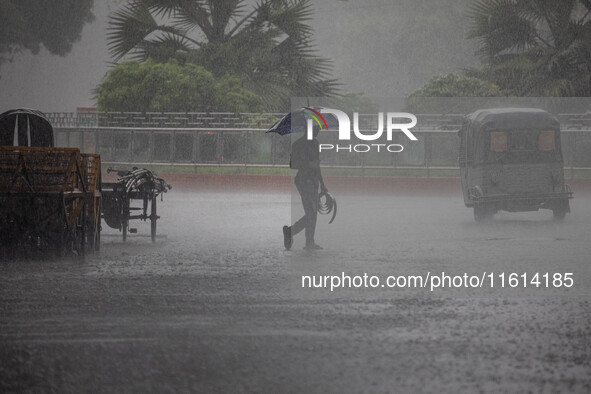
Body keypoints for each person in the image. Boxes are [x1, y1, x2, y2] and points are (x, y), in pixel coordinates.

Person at [283, 123, 327, 250]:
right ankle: (296, 235)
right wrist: (307, 164)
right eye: (315, 128)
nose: (318, 131)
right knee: (312, 211)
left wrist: (322, 184)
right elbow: (293, 164)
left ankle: (308, 240)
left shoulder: (315, 143)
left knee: (312, 212)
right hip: (304, 180)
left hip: (313, 181)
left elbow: (317, 165)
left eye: (318, 129)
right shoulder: (298, 144)